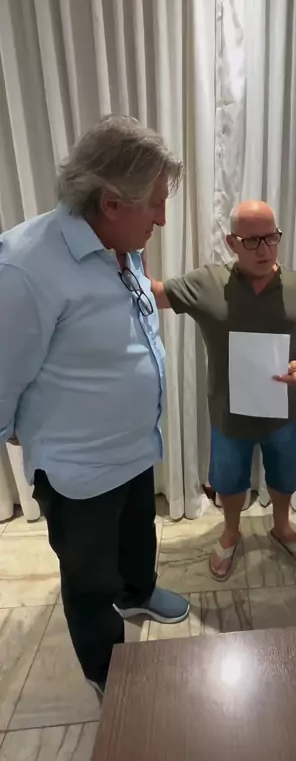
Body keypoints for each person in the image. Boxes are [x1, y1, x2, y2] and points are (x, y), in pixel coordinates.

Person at [0, 116, 189, 697]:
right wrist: (25, 433)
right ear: (110, 202)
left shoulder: (122, 245)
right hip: (77, 470)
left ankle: (138, 593)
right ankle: (107, 670)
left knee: (137, 538)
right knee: (86, 577)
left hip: (134, 448)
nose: (161, 218)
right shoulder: (25, 267)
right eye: (155, 204)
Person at [147, 201, 296, 580]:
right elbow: (155, 294)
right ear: (231, 242)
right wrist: (133, 244)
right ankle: (231, 532)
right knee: (229, 482)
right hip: (228, 414)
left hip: (283, 411)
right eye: (252, 241)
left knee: (284, 477)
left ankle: (282, 526)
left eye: (271, 238)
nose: (264, 249)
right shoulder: (208, 283)